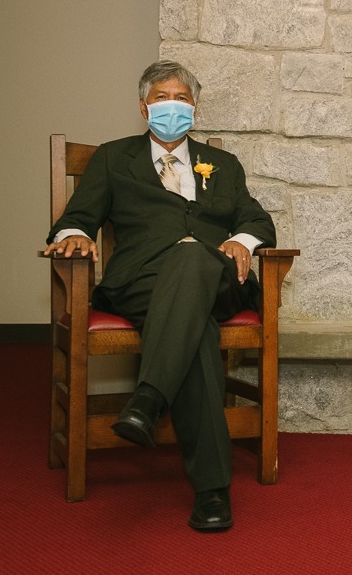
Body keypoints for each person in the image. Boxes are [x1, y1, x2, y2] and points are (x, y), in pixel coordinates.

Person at [44, 60, 276, 531]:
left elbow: (259, 221)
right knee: (197, 334)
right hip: (141, 283)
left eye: (182, 97)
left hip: (217, 279)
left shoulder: (225, 165)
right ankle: (212, 492)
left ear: (195, 106)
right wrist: (75, 235)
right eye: (162, 97)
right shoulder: (113, 158)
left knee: (193, 257)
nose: (173, 105)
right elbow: (78, 216)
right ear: (143, 107)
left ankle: (149, 397)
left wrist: (242, 241)